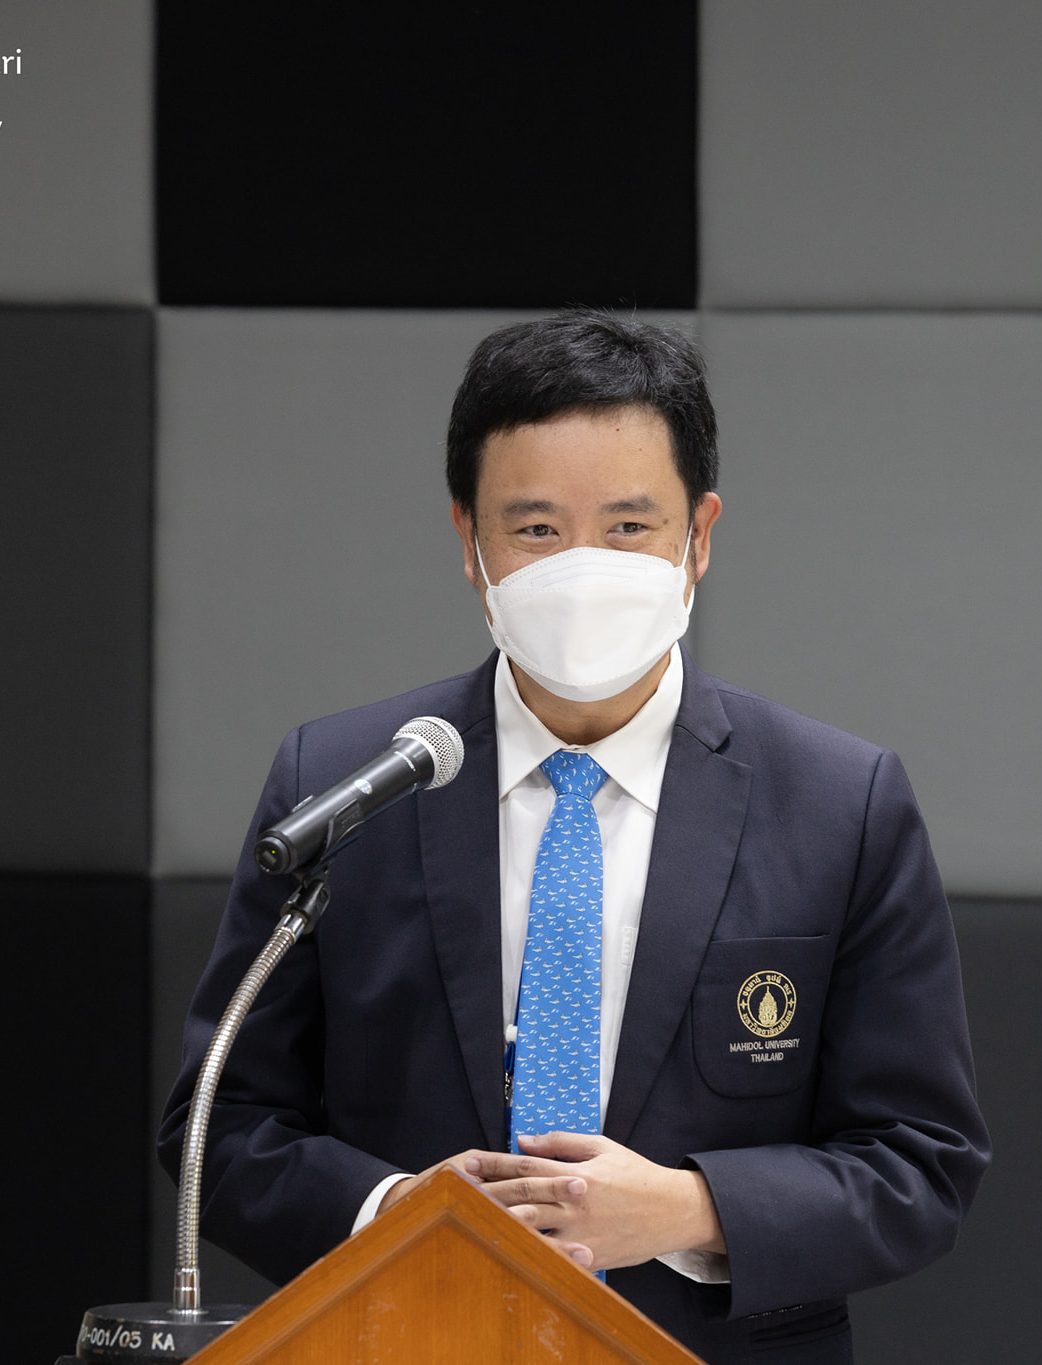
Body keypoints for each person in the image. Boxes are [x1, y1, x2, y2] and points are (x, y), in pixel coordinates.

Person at [159, 310, 990, 1363]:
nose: (583, 567)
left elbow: (921, 1161)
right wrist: (401, 1212)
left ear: (699, 537)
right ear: (470, 544)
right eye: (538, 530)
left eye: (630, 526)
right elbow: (220, 1125)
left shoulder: (837, 804)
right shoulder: (344, 785)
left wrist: (691, 1208)